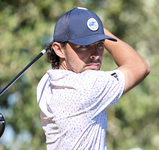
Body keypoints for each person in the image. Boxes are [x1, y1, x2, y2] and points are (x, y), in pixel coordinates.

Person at [37, 7, 150, 150]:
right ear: (59, 49)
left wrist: (91, 30)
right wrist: (100, 30)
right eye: (84, 46)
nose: (95, 54)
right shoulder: (88, 86)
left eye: (99, 44)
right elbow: (140, 67)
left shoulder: (46, 83)